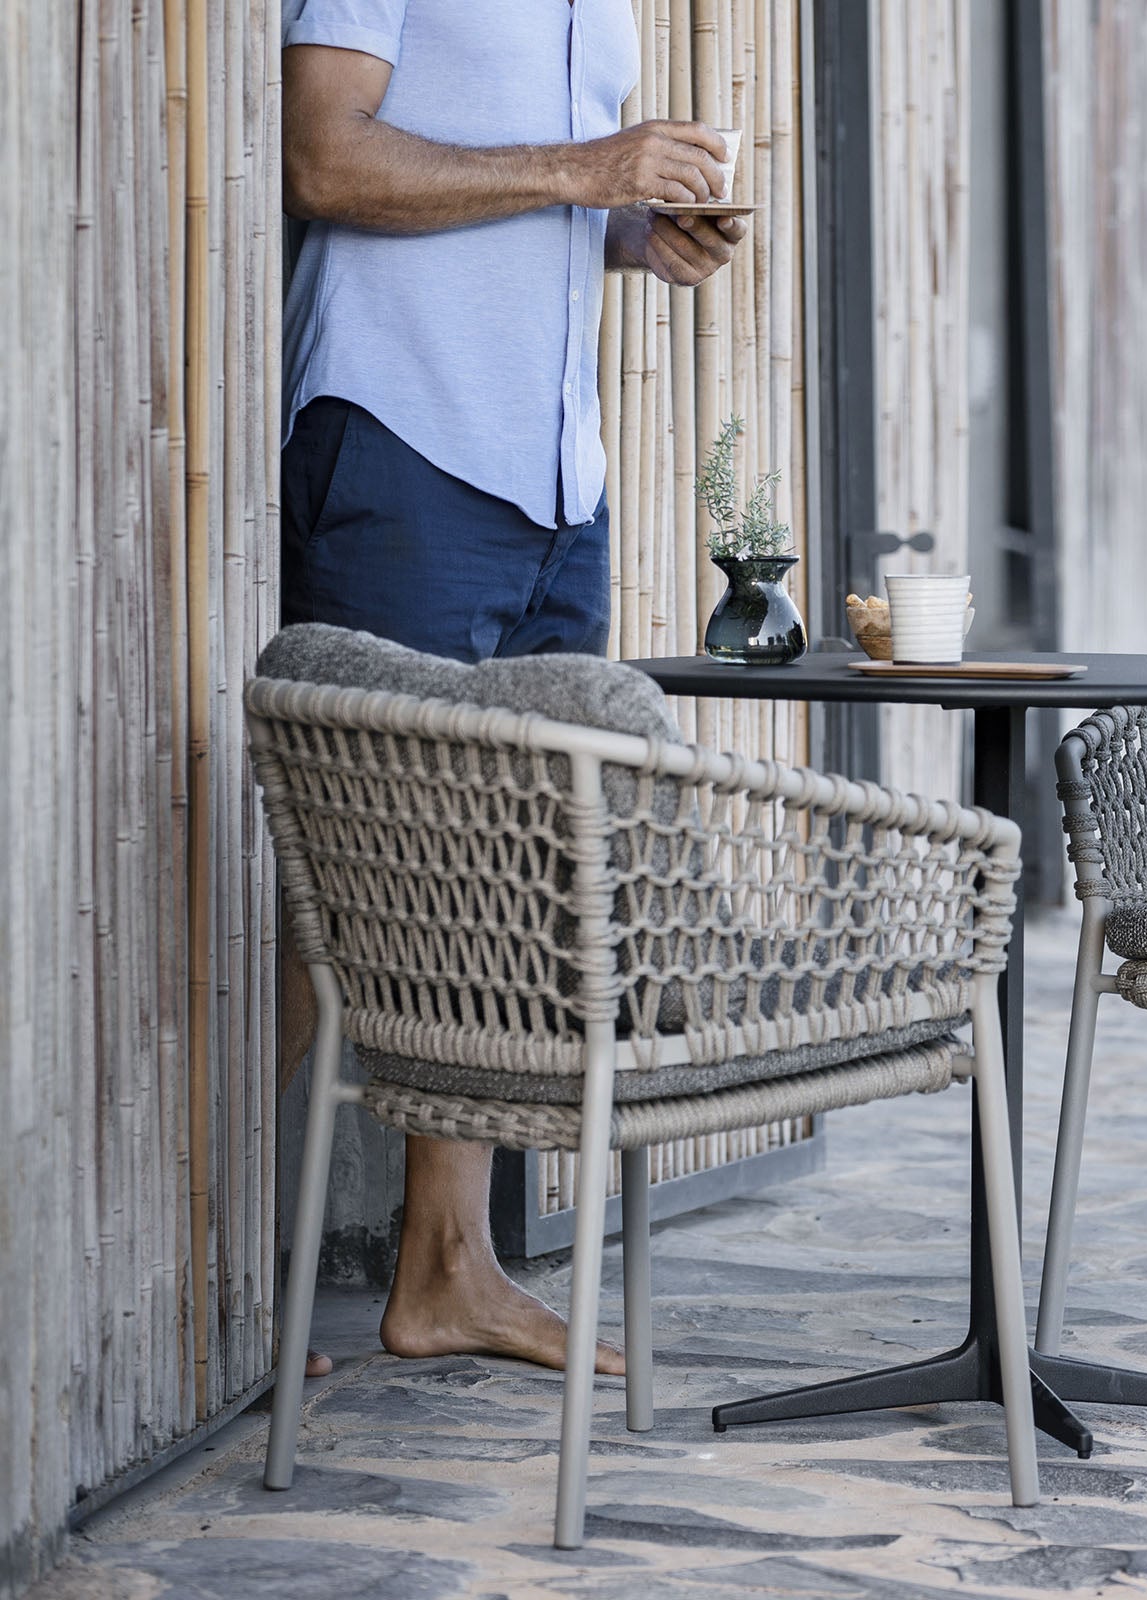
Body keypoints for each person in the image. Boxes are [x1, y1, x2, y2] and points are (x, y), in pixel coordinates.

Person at [279, 0, 744, 1379]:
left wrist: (637, 233)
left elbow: (539, 191)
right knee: (352, 860)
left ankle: (447, 1270)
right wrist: (585, 170)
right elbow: (324, 159)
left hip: (555, 475)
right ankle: (201, 1267)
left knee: (486, 882)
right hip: (403, 438)